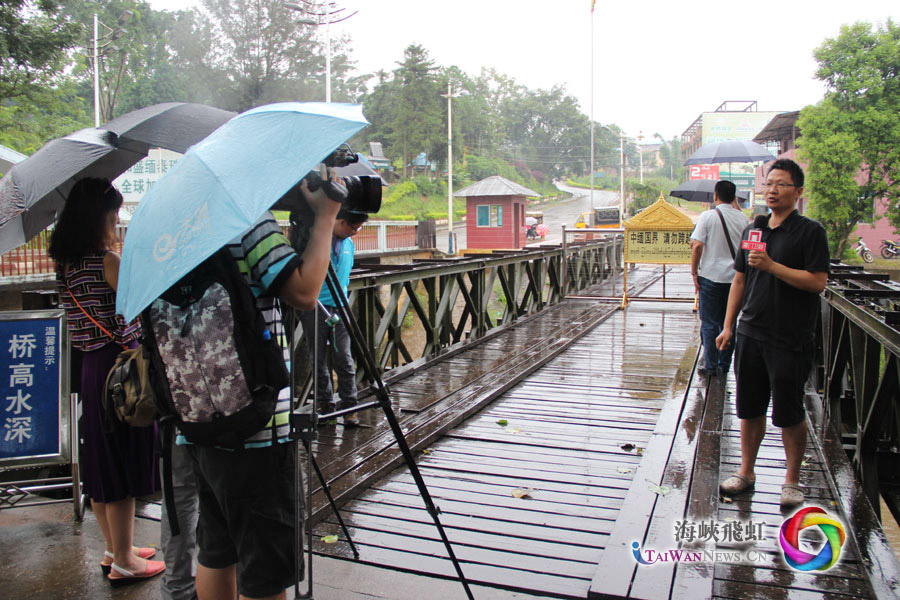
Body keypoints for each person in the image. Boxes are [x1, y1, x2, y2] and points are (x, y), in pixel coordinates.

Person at [177, 168, 344, 600]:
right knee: (266, 571)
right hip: (258, 422)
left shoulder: (182, 228)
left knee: (217, 549)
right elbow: (306, 293)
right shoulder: (248, 219)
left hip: (197, 417)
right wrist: (325, 218)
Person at [48, 178, 165, 584]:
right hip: (120, 370)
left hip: (90, 369)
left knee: (101, 460)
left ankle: (116, 548)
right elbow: (139, 304)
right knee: (123, 460)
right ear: (98, 217)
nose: (116, 221)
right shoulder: (106, 262)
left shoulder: (65, 265)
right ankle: (125, 564)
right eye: (113, 214)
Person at [715, 159, 830, 508]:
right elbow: (740, 279)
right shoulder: (755, 228)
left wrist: (772, 266)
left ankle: (792, 480)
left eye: (781, 184)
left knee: (789, 411)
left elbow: (818, 282)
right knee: (750, 408)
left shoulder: (810, 232)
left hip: (790, 336)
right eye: (769, 184)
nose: (772, 190)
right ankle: (746, 472)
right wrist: (727, 325)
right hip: (751, 332)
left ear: (798, 192)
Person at [300, 208, 368, 427]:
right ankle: (325, 405)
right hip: (315, 306)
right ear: (340, 222)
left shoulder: (348, 244)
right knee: (317, 358)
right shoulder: (317, 240)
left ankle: (349, 406)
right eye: (353, 227)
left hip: (340, 307)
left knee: (344, 358)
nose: (355, 232)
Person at [689, 180, 747, 377]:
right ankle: (724, 364)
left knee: (710, 322)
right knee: (729, 323)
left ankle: (710, 364)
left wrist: (694, 272)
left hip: (710, 277)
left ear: (715, 195)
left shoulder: (707, 216)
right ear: (734, 197)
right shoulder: (743, 219)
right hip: (736, 280)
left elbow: (697, 246)